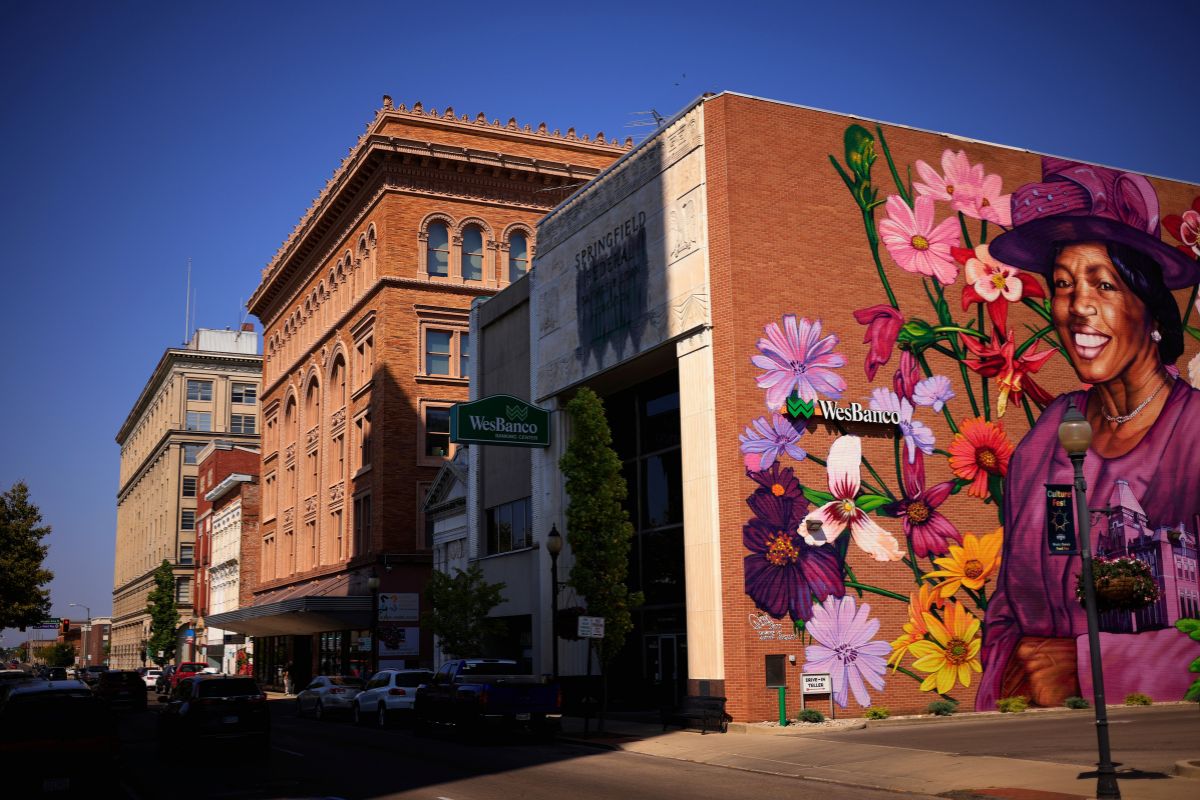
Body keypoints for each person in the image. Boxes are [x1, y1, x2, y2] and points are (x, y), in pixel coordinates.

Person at [977, 158, 1200, 710]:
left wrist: (1087, 667)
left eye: (1103, 284)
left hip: (1145, 740)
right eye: (1061, 285)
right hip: (1036, 732)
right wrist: (1010, 682)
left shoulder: (1193, 433)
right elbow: (1010, 601)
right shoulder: (1049, 440)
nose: (1077, 307)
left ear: (1150, 312)